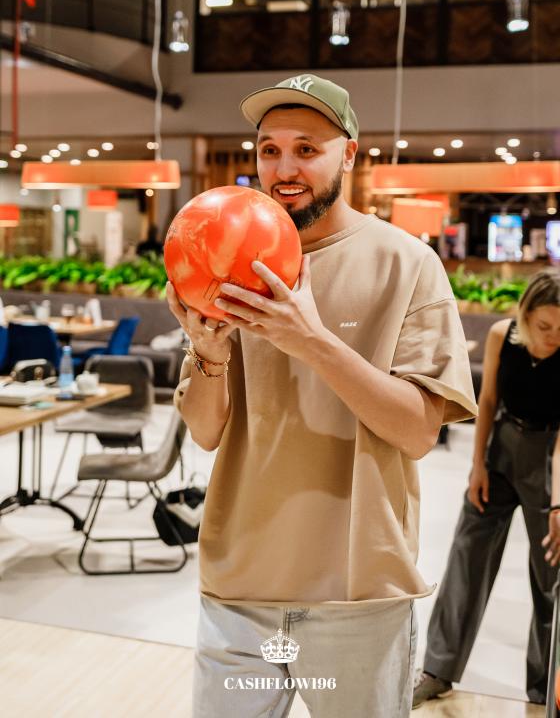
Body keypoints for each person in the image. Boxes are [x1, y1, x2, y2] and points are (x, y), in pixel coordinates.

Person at [166, 73, 478, 718]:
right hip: (238, 587)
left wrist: (311, 341)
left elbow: (419, 431)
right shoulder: (229, 262)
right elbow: (204, 431)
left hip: (357, 594)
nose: (284, 169)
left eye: (307, 149)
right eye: (270, 150)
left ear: (349, 154)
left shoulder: (406, 264)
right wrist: (209, 353)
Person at [413, 268, 560, 708]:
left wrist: (558, 504)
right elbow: (489, 401)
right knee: (467, 557)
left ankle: (545, 688)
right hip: (501, 450)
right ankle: (437, 670)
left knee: (550, 574)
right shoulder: (501, 336)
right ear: (525, 316)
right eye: (544, 326)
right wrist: (477, 465)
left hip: (549, 456)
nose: (553, 337)